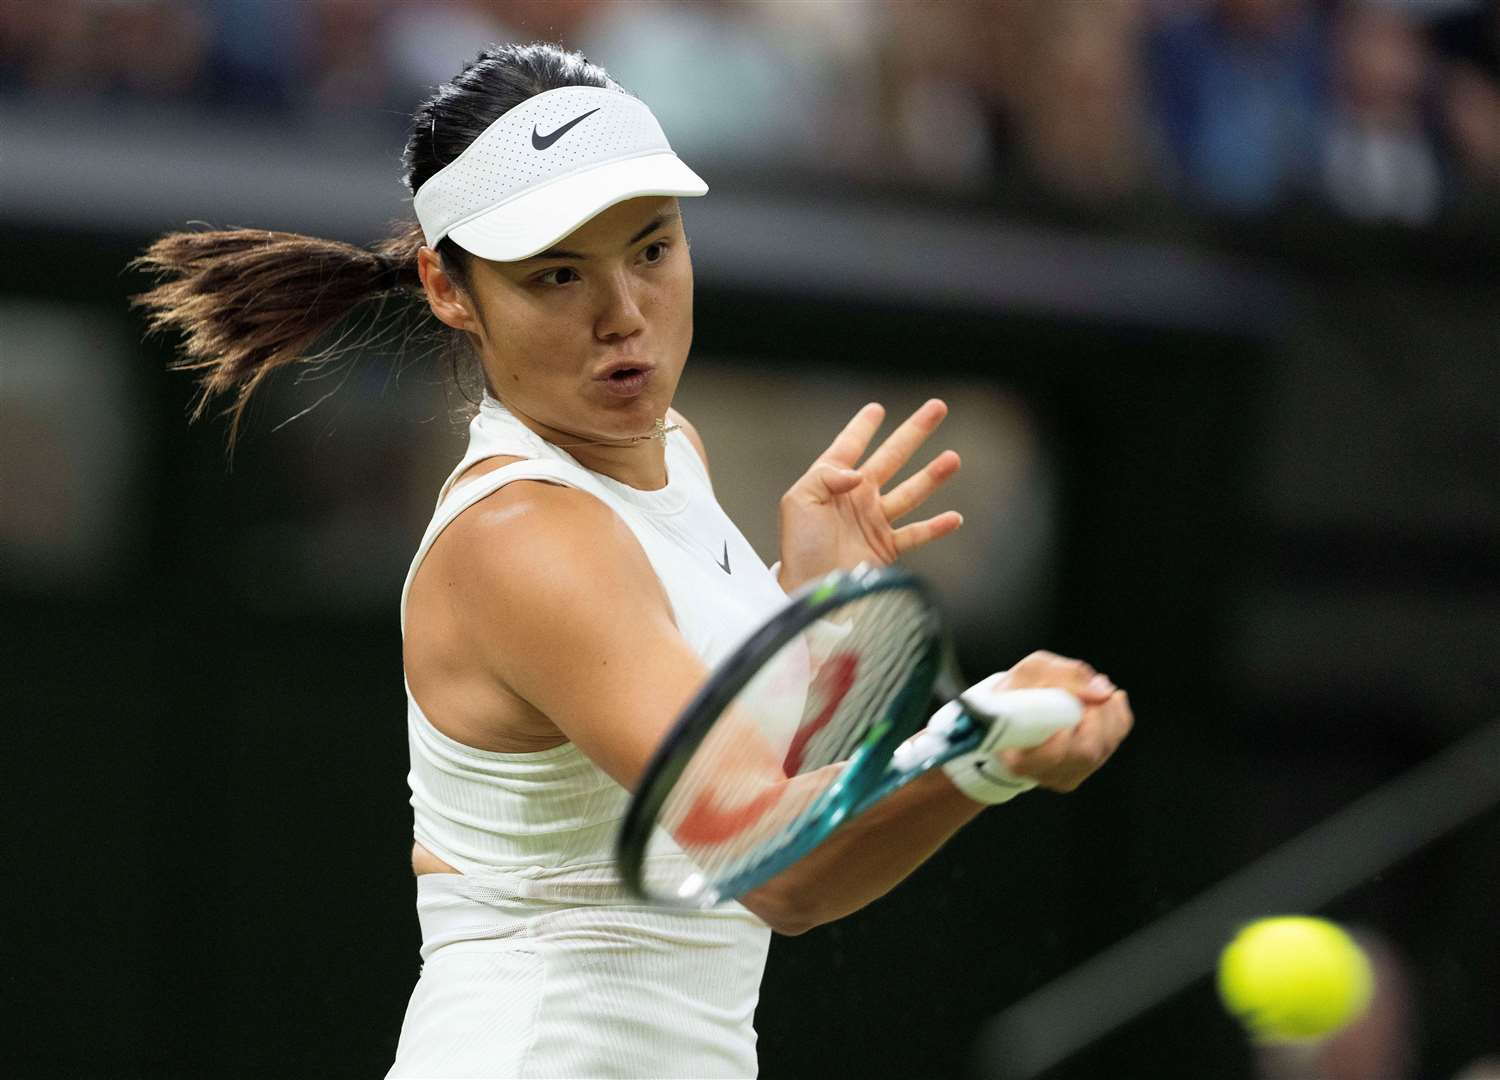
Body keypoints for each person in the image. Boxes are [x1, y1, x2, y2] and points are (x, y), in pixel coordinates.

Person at [130, 41, 1132, 1080]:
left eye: (651, 251)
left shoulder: (667, 449)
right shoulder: (524, 541)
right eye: (557, 274)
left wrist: (817, 614)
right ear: (448, 286)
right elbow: (774, 873)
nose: (623, 315)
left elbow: (743, 789)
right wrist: (982, 747)